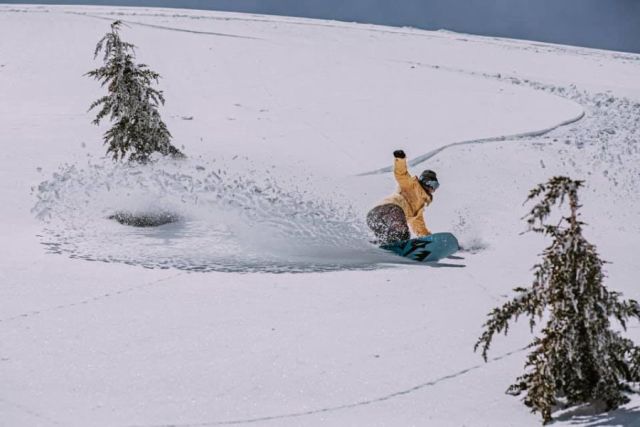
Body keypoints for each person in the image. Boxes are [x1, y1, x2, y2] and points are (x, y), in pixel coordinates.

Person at [367, 149, 439, 245]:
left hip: (373, 217)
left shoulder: (418, 210)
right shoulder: (411, 185)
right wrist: (400, 159)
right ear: (425, 181)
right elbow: (401, 174)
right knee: (402, 232)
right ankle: (400, 246)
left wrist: (431, 242)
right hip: (390, 209)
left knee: (388, 239)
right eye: (432, 184)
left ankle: (377, 248)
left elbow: (420, 228)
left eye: (436, 186)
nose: (433, 189)